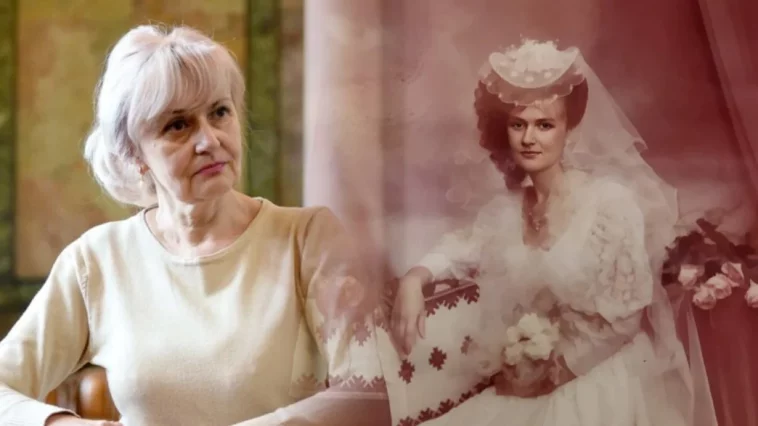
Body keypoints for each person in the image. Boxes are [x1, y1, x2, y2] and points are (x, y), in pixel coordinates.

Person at [0, 25, 390, 426]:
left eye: (220, 112)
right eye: (178, 125)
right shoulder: (96, 261)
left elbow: (369, 394)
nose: (210, 140)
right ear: (134, 154)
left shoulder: (307, 239)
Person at [390, 40, 717, 425]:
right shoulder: (504, 212)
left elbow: (625, 322)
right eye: (518, 124)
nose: (529, 138)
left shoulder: (608, 205)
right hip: (532, 377)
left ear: (569, 130)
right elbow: (459, 249)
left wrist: (553, 375)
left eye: (544, 125)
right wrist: (414, 278)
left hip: (601, 378)